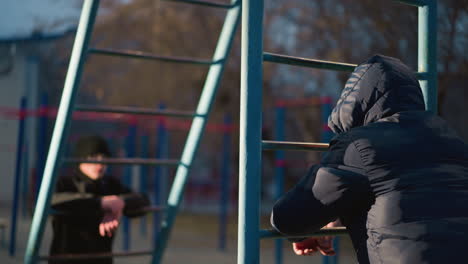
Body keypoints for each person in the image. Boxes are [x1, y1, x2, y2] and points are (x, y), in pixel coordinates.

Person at [270, 54, 468, 263]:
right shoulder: (451, 139)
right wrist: (337, 214)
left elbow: (288, 218)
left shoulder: (358, 144)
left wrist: (307, 229)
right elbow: (414, 197)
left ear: (353, 101)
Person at [49, 135, 150, 264]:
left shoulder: (109, 185)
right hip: (67, 259)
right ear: (81, 158)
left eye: (104, 157)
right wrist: (100, 203)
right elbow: (54, 201)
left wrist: (119, 203)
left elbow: (143, 201)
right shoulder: (65, 183)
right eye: (93, 157)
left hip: (101, 259)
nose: (100, 163)